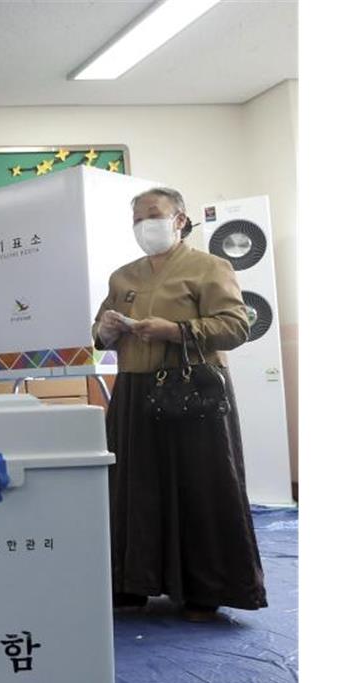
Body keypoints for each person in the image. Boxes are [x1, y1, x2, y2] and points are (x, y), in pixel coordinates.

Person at [92, 186, 267, 622]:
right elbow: (99, 330)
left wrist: (176, 331)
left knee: (200, 487)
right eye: (137, 219)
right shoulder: (123, 276)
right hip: (134, 389)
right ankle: (132, 582)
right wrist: (107, 330)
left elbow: (235, 326)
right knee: (134, 488)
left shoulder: (210, 267)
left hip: (194, 391)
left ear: (180, 219)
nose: (144, 225)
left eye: (153, 214)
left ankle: (204, 590)